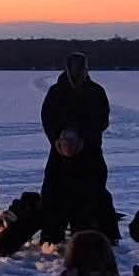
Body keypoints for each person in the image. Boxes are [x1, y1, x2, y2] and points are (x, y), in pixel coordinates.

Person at [38, 52, 117, 244]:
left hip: (89, 152)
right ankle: (52, 236)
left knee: (91, 192)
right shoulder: (56, 92)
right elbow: (47, 118)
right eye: (74, 68)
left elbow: (102, 119)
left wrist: (84, 139)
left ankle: (89, 233)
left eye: (81, 69)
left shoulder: (96, 91)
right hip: (60, 153)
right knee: (54, 192)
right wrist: (58, 139)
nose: (77, 72)